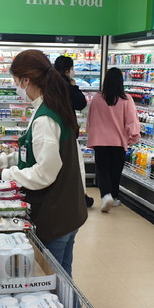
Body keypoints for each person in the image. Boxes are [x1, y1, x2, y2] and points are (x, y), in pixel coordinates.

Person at [0, 50, 88, 276]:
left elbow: (44, 173)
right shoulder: (52, 107)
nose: (16, 87)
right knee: (64, 278)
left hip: (56, 214)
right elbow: (35, 152)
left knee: (54, 281)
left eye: (16, 81)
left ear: (26, 80)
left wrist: (5, 176)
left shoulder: (45, 118)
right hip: (69, 210)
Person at [86, 67, 140, 212]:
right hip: (118, 141)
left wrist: (90, 133)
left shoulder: (97, 98)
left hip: (100, 140)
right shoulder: (126, 99)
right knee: (115, 170)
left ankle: (106, 195)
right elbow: (131, 120)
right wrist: (133, 136)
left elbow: (91, 118)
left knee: (102, 169)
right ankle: (114, 197)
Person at [54, 55, 93, 208]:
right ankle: (80, 196)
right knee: (75, 166)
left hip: (55, 130)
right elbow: (80, 103)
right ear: (67, 70)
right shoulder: (66, 85)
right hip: (67, 131)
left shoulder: (50, 84)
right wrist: (74, 86)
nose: (73, 71)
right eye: (71, 69)